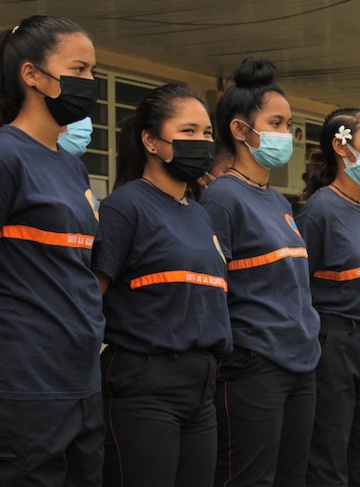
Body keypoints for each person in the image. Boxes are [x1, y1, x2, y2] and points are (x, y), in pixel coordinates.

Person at [93, 84, 233, 487]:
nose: (202, 141)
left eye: (207, 133)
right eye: (188, 131)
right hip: (144, 387)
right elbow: (90, 297)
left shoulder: (200, 213)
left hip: (200, 387)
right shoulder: (125, 207)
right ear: (151, 141)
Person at [201, 57, 320, 487]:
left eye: (289, 124)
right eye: (276, 123)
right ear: (239, 129)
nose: (286, 134)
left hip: (301, 363)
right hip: (254, 365)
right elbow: (213, 289)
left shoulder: (278, 200)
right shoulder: (222, 198)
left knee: (292, 476)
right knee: (249, 477)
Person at [0, 15, 105, 487]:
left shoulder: (72, 167)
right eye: (79, 69)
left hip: (81, 379)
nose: (90, 82)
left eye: (93, 71)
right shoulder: (7, 155)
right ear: (32, 74)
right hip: (25, 385)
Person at [297, 107, 360, 487]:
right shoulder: (319, 210)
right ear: (342, 146)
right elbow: (300, 285)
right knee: (330, 452)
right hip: (336, 340)